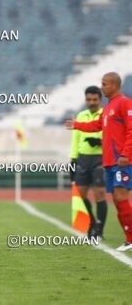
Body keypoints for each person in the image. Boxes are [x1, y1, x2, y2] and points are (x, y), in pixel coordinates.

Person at [66, 72, 132, 251]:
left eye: (104, 84)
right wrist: (78, 125)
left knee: (120, 197)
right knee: (118, 200)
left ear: (114, 85)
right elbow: (97, 126)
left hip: (122, 160)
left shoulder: (124, 103)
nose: (102, 87)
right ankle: (129, 239)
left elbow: (131, 129)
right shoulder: (109, 107)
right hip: (110, 162)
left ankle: (130, 238)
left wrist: (126, 154)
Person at [69, 86, 107, 238]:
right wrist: (72, 159)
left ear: (100, 100)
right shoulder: (81, 116)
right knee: (82, 194)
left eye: (94, 99)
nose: (91, 102)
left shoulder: (105, 115)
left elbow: (113, 137)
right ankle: (92, 222)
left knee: (99, 194)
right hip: (83, 159)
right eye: (88, 99)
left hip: (100, 159)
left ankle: (100, 229)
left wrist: (99, 141)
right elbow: (75, 139)